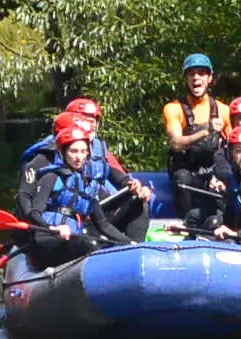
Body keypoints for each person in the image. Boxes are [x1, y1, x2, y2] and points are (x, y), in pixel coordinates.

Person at [19, 103, 151, 241]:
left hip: (94, 214)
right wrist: (41, 224)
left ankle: (135, 248)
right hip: (60, 224)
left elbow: (120, 178)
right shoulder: (42, 159)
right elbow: (25, 197)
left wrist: (136, 187)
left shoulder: (89, 155)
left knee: (138, 202)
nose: (80, 155)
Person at [17, 126, 134, 268]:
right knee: (89, 245)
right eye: (73, 151)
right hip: (46, 241)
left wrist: (129, 243)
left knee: (101, 245)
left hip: (72, 241)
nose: (79, 157)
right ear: (62, 152)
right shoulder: (51, 177)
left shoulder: (89, 186)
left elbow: (103, 225)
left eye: (83, 151)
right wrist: (52, 228)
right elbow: (34, 212)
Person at [164, 54, 232, 229]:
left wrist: (222, 178)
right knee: (182, 178)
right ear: (186, 79)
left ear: (209, 78)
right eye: (191, 74)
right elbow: (177, 143)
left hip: (211, 173)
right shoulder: (174, 109)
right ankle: (186, 225)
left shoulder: (223, 110)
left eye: (201, 73)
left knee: (226, 178)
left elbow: (233, 147)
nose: (196, 78)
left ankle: (222, 224)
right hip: (186, 172)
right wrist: (206, 131)